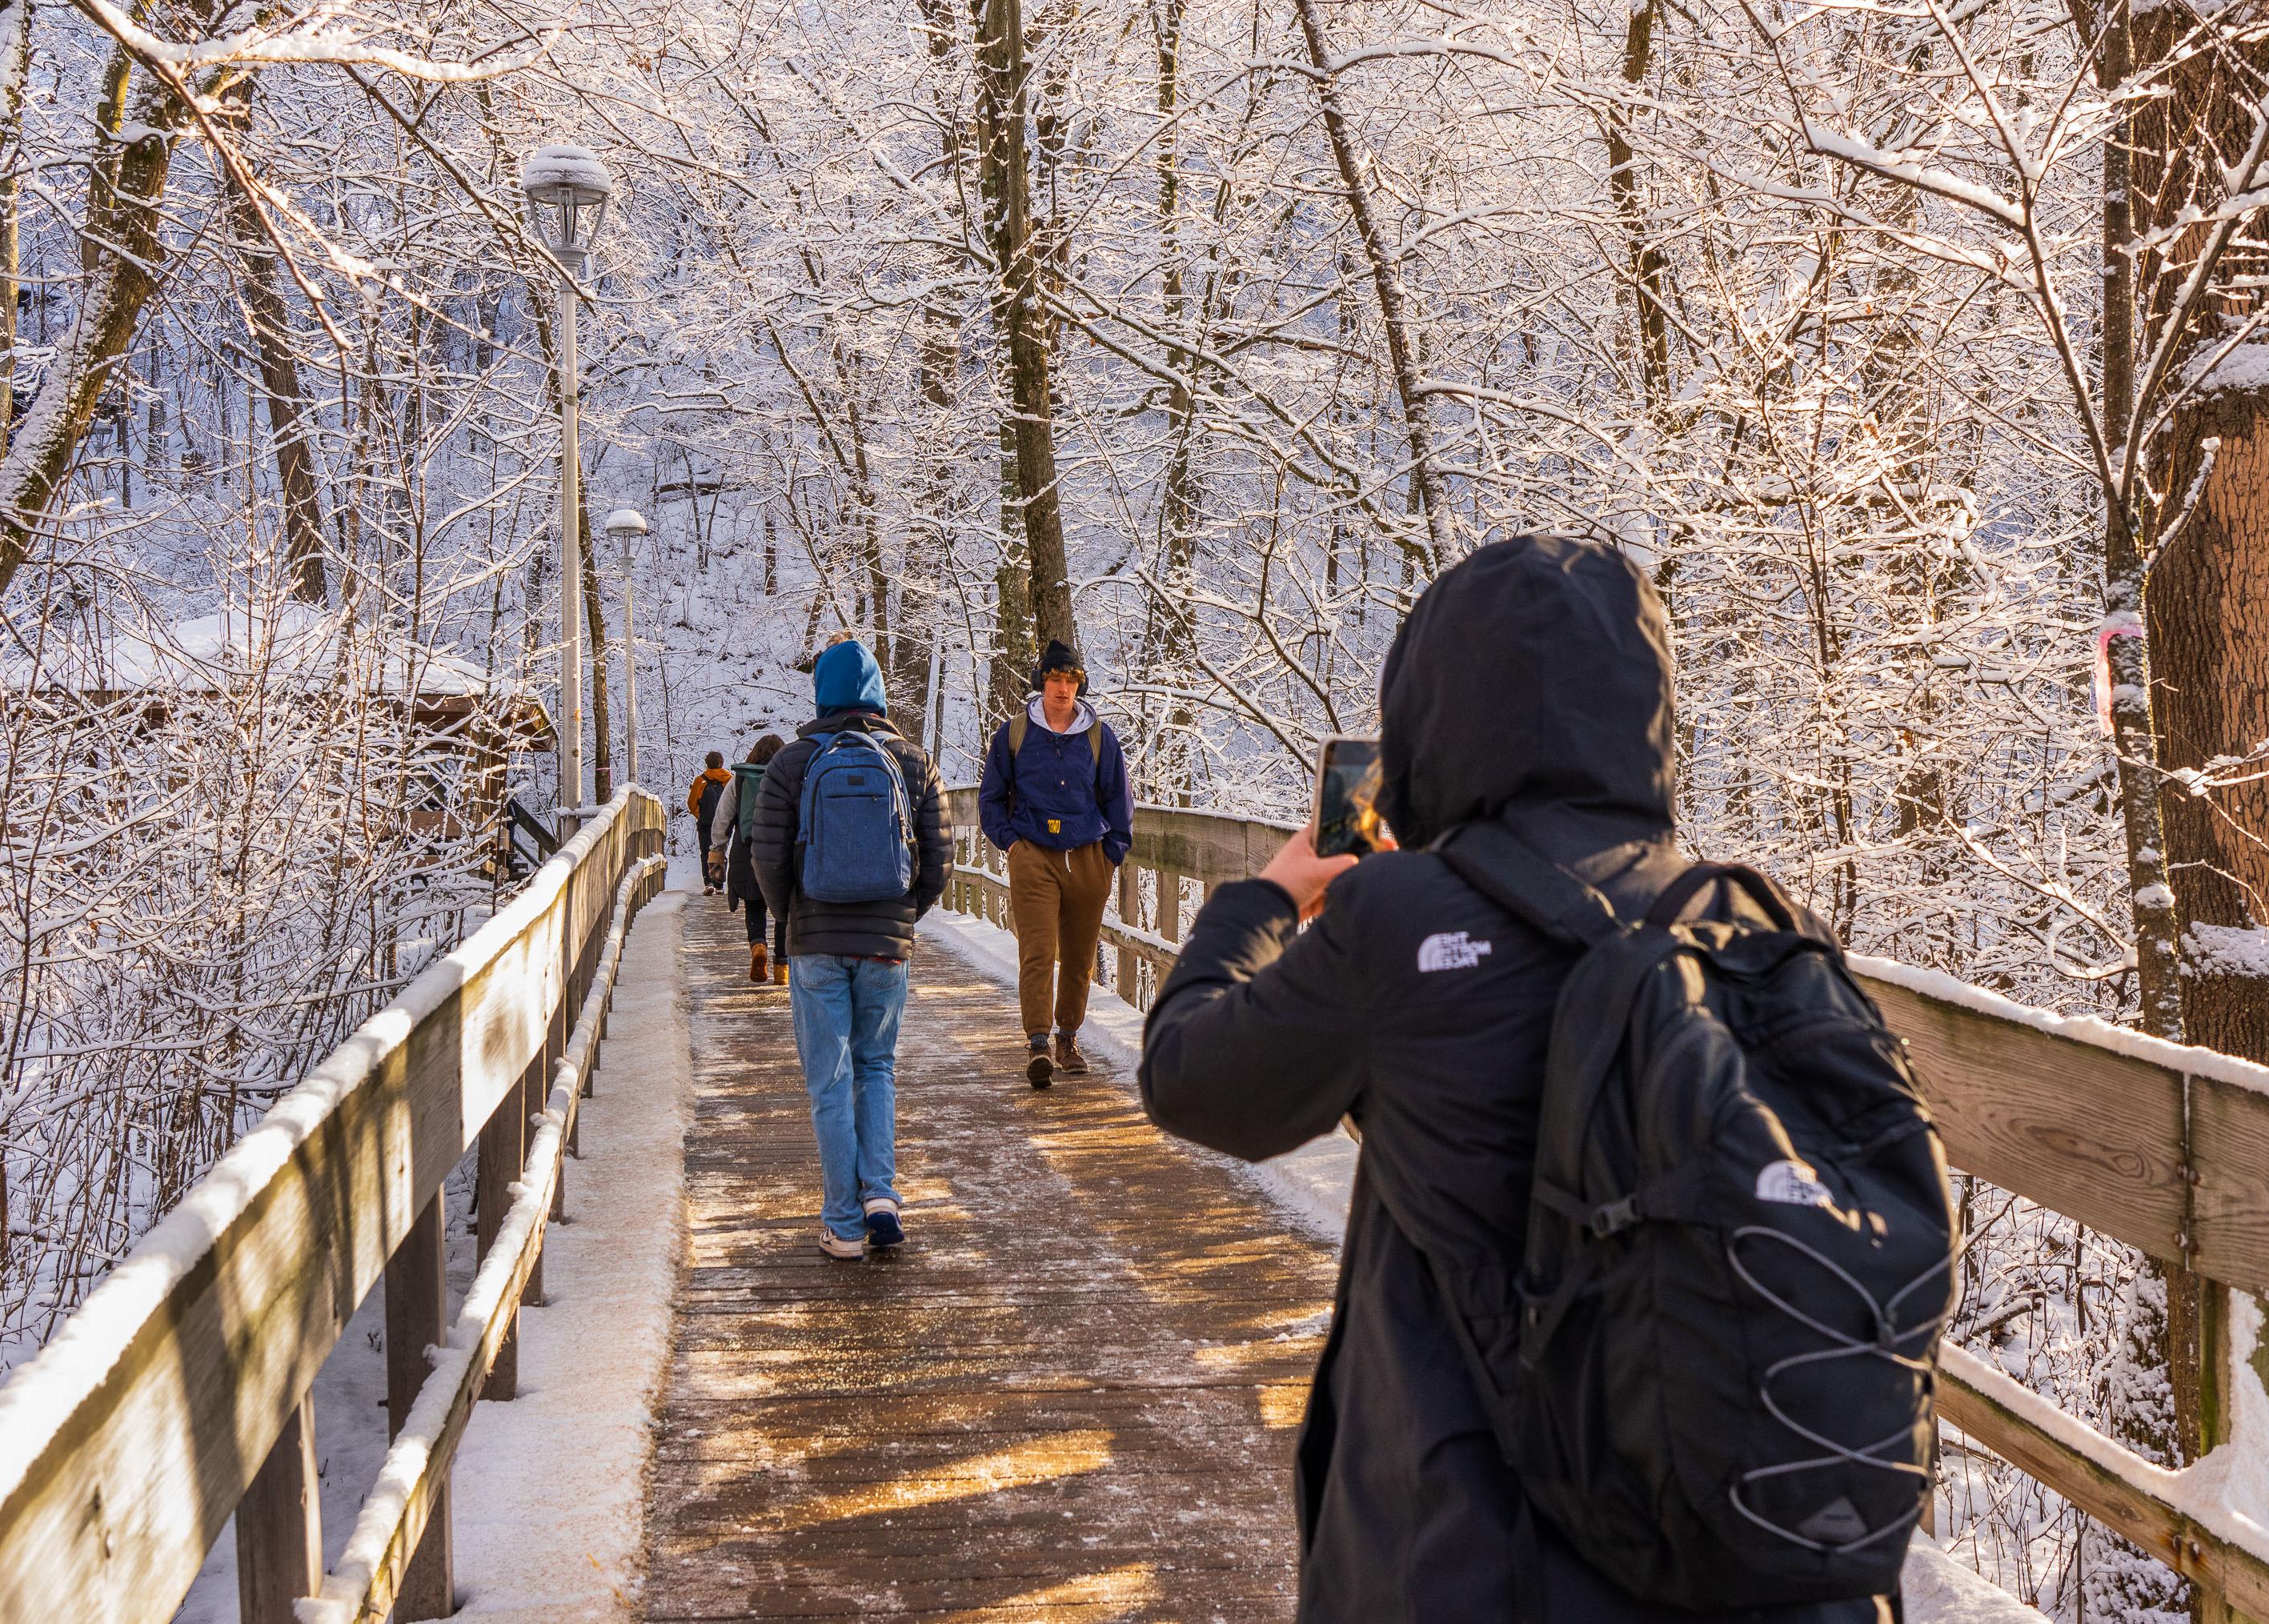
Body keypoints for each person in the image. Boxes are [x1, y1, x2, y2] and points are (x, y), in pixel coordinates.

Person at [1137, 535, 1884, 1624]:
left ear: (1430, 714)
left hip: (1465, 1562)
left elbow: (1190, 1075)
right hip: (1743, 1557)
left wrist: (1264, 900)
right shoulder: (1756, 922)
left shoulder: (1398, 924)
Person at [751, 637, 948, 1260]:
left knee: (829, 1080)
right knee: (876, 1067)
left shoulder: (794, 761)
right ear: (878, 692)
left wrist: (793, 921)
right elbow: (940, 855)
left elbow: (767, 857)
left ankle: (842, 1222)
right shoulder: (913, 761)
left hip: (816, 942)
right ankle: (882, 1194)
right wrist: (902, 918)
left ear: (822, 693)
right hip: (886, 945)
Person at [976, 638, 1132, 1089]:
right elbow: (990, 798)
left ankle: (1068, 1037)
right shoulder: (1015, 734)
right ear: (1042, 682)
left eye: (1070, 680)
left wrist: (1112, 853)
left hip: (1088, 859)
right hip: (1035, 856)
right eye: (1055, 679)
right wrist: (1013, 845)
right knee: (1038, 951)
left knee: (1080, 956)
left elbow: (1119, 798)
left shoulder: (1100, 737)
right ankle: (1039, 1043)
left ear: (1079, 686)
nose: (1063, 689)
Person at [713, 733, 786, 984]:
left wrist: (718, 849)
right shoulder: (788, 776)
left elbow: (722, 817)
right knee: (783, 910)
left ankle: (758, 947)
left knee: (754, 903)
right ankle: (782, 967)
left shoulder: (740, 779)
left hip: (748, 851)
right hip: (782, 851)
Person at [687, 750, 732, 891]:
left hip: (705, 823)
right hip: (724, 822)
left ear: (707, 764)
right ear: (721, 763)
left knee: (706, 851)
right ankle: (719, 885)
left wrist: (700, 815)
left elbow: (692, 803)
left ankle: (709, 883)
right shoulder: (729, 779)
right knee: (720, 850)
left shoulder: (700, 780)